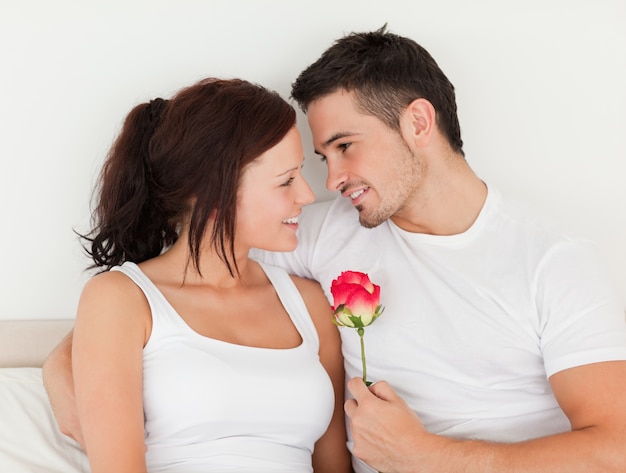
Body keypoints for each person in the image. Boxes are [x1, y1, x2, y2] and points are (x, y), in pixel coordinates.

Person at [45, 26, 626, 472]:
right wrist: (63, 363)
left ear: (419, 123)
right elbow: (182, 289)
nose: (332, 180)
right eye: (323, 157)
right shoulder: (319, 236)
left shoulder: (552, 261)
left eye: (346, 146)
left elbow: (616, 447)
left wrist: (428, 455)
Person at [43, 77, 351, 473]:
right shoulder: (121, 299)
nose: (308, 195)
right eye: (286, 180)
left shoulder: (308, 303)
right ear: (212, 194)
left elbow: (333, 465)